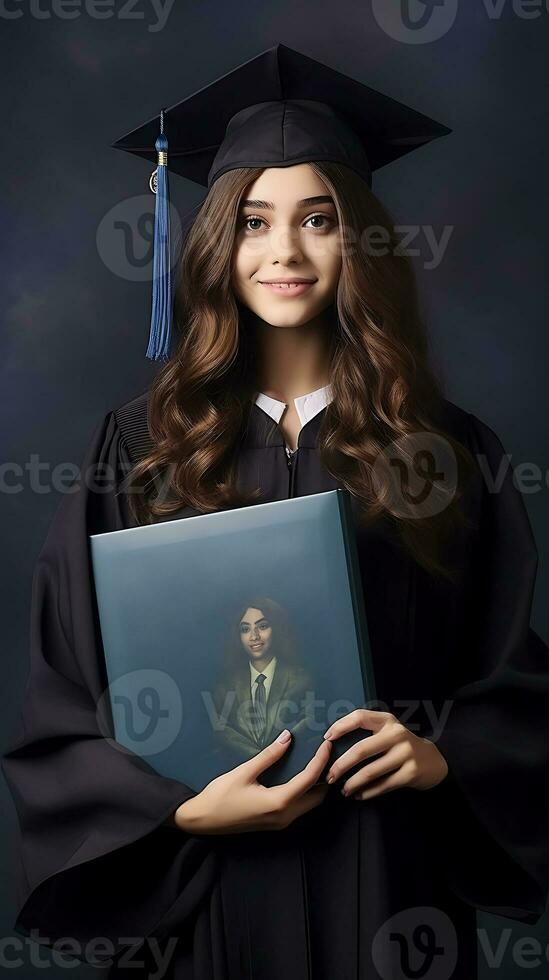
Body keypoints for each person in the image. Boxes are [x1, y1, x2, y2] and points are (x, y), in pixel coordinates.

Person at [3, 43, 549, 980]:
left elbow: (511, 678)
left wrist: (443, 754)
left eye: (318, 219)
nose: (284, 252)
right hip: (204, 894)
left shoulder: (444, 451)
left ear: (361, 242)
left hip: (384, 882)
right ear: (219, 242)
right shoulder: (137, 448)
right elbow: (63, 692)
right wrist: (175, 809)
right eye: (253, 221)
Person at [212, 599, 317, 766]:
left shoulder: (301, 678)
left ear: (276, 628)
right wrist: (260, 759)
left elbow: (308, 721)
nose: (254, 636)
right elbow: (222, 730)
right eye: (245, 629)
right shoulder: (226, 686)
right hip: (240, 773)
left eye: (262, 626)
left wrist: (275, 753)